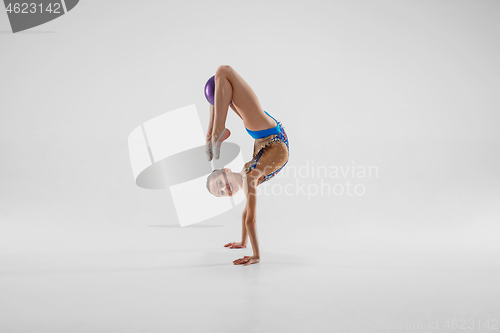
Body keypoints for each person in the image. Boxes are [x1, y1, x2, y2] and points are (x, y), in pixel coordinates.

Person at [205, 65, 289, 266]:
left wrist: (252, 251)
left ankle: (214, 133)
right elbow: (248, 216)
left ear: (226, 170)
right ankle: (214, 133)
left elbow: (248, 218)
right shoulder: (248, 178)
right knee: (223, 73)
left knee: (220, 84)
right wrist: (247, 246)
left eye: (219, 185)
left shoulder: (246, 175)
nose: (225, 190)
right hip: (270, 136)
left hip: (266, 136)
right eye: (222, 193)